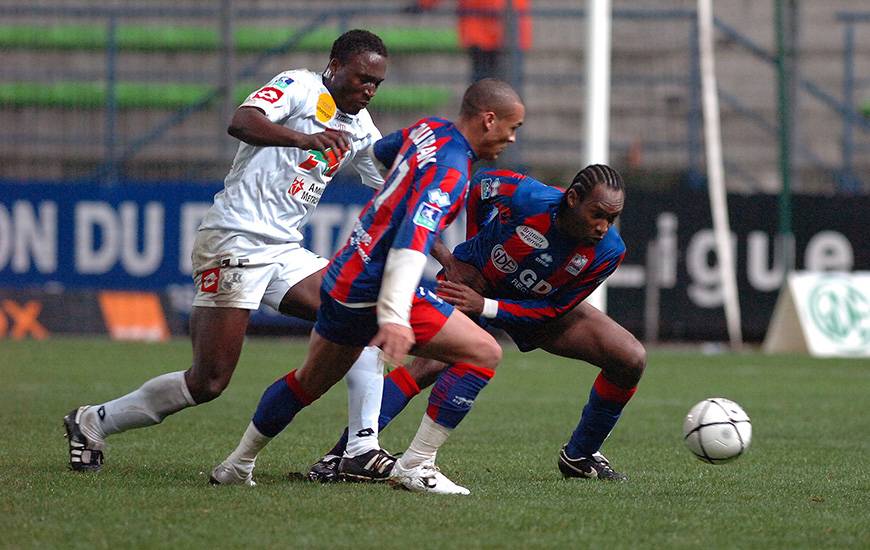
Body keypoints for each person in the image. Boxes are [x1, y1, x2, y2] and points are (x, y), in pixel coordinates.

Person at [63, 30, 393, 477]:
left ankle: (360, 448)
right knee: (209, 381)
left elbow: (395, 196)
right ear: (334, 66)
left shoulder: (359, 127)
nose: (369, 90)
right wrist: (302, 139)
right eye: (361, 78)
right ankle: (93, 420)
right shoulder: (298, 86)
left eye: (376, 83)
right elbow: (241, 121)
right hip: (234, 239)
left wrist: (443, 255)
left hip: (283, 249)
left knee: (360, 318)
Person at [211, 78, 525, 495]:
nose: (512, 137)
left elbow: (379, 154)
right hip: (377, 285)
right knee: (484, 353)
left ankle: (238, 463)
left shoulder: (429, 129)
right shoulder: (451, 169)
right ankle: (418, 465)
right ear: (489, 120)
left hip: (346, 271)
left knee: (309, 380)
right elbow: (411, 243)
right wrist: (394, 318)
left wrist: (390, 205)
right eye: (512, 126)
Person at [309, 164, 646, 482]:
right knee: (427, 366)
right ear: (573, 198)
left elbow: (554, 309)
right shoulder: (527, 196)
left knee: (629, 357)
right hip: (474, 285)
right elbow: (479, 187)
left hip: (530, 307)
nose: (603, 226)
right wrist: (471, 254)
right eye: (597, 214)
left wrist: (488, 306)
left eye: (611, 218)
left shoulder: (609, 251)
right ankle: (342, 455)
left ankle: (581, 455)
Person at [414, 0, 532, 83]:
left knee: (488, 90)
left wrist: (423, 4)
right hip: (498, 34)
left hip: (489, 33)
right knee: (503, 89)